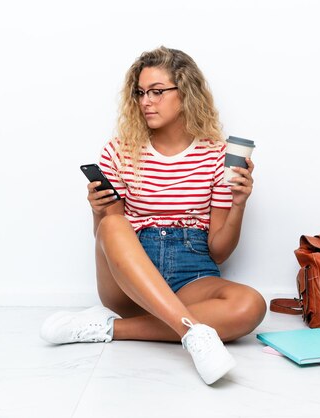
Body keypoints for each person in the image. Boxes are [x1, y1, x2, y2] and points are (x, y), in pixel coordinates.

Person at [40, 46, 267, 385]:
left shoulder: (217, 156)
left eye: (157, 92)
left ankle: (110, 329)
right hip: (130, 284)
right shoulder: (120, 150)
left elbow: (219, 251)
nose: (146, 101)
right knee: (114, 222)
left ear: (185, 92)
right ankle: (194, 332)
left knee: (251, 304)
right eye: (141, 93)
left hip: (191, 276)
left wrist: (239, 203)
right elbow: (109, 241)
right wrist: (97, 211)